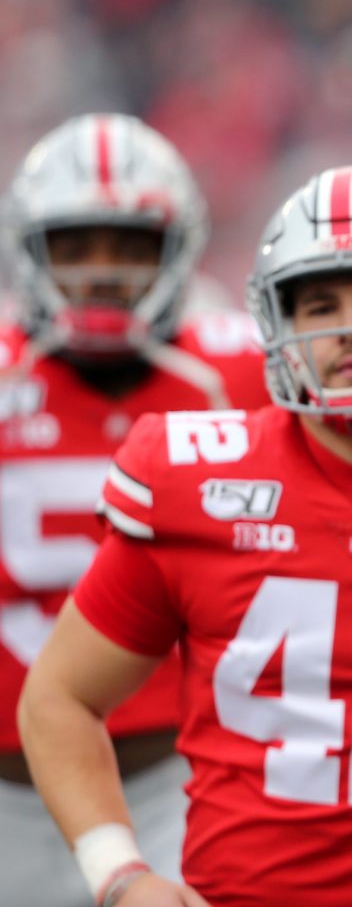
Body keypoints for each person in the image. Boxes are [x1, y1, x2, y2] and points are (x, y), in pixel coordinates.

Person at [18, 165, 352, 907]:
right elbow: (59, 697)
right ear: (278, 323)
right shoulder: (194, 480)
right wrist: (120, 873)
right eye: (321, 305)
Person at [0, 113, 268, 906]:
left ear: (177, 249)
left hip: (172, 784)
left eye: (129, 245)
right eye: (75, 246)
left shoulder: (239, 371)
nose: (102, 271)